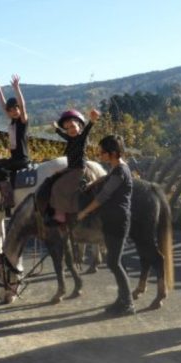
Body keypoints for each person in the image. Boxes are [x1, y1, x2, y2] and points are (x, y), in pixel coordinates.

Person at [77, 135, 134, 315]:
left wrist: (83, 212)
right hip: (112, 220)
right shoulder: (116, 169)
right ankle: (122, 299)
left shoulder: (120, 172)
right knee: (115, 262)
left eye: (102, 152)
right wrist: (92, 184)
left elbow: (102, 197)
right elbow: (105, 179)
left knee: (114, 262)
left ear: (113, 153)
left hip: (117, 220)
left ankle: (128, 304)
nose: (99, 155)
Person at [46, 108, 100, 225]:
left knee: (58, 187)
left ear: (79, 127)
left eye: (73, 126)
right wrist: (55, 127)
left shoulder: (82, 138)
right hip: (71, 168)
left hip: (78, 169)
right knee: (53, 178)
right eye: (69, 127)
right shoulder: (70, 139)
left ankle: (61, 215)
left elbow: (88, 129)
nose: (71, 129)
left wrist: (92, 120)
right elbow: (61, 133)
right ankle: (54, 210)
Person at [0, 74, 29, 214]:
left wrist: (16, 88)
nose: (14, 111)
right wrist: (0, 91)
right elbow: (3, 106)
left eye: (16, 109)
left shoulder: (22, 121)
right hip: (14, 158)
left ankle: (7, 200)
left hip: (21, 158)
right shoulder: (12, 121)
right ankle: (2, 195)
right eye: (11, 110)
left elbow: (23, 105)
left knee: (1, 171)